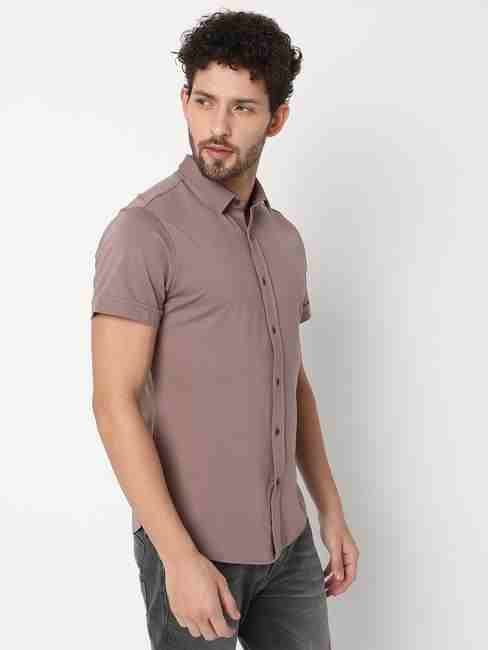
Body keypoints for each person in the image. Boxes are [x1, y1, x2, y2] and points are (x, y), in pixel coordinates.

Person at [91, 9, 359, 649]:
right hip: (192, 547)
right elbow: (113, 402)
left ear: (277, 118)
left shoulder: (285, 241)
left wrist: (330, 508)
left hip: (287, 544)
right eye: (205, 101)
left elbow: (291, 381)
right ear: (184, 101)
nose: (217, 126)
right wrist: (178, 557)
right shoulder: (143, 232)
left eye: (242, 108)